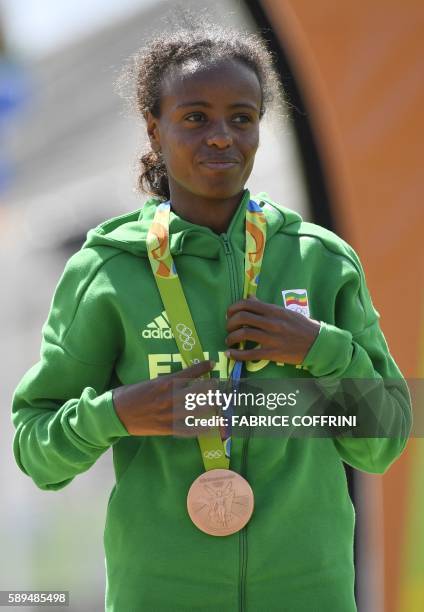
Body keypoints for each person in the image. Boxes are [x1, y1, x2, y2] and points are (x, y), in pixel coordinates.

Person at [12, 21, 412, 612]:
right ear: (155, 126)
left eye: (242, 117)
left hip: (309, 594)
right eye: (196, 117)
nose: (222, 136)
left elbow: (388, 440)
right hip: (160, 594)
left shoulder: (322, 261)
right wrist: (117, 413)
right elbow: (35, 446)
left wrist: (319, 349)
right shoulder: (108, 270)